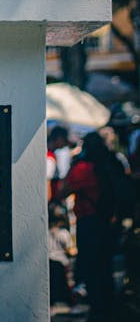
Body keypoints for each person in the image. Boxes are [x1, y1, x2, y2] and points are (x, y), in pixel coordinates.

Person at [58, 132, 117, 322]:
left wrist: (74, 164)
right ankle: (109, 306)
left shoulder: (84, 168)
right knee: (105, 265)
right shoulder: (111, 163)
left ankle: (97, 308)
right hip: (107, 221)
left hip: (88, 220)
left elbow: (63, 190)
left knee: (90, 265)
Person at [47, 125, 70, 203]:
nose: (66, 144)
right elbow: (47, 182)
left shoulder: (50, 154)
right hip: (50, 200)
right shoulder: (49, 157)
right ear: (59, 139)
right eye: (65, 140)